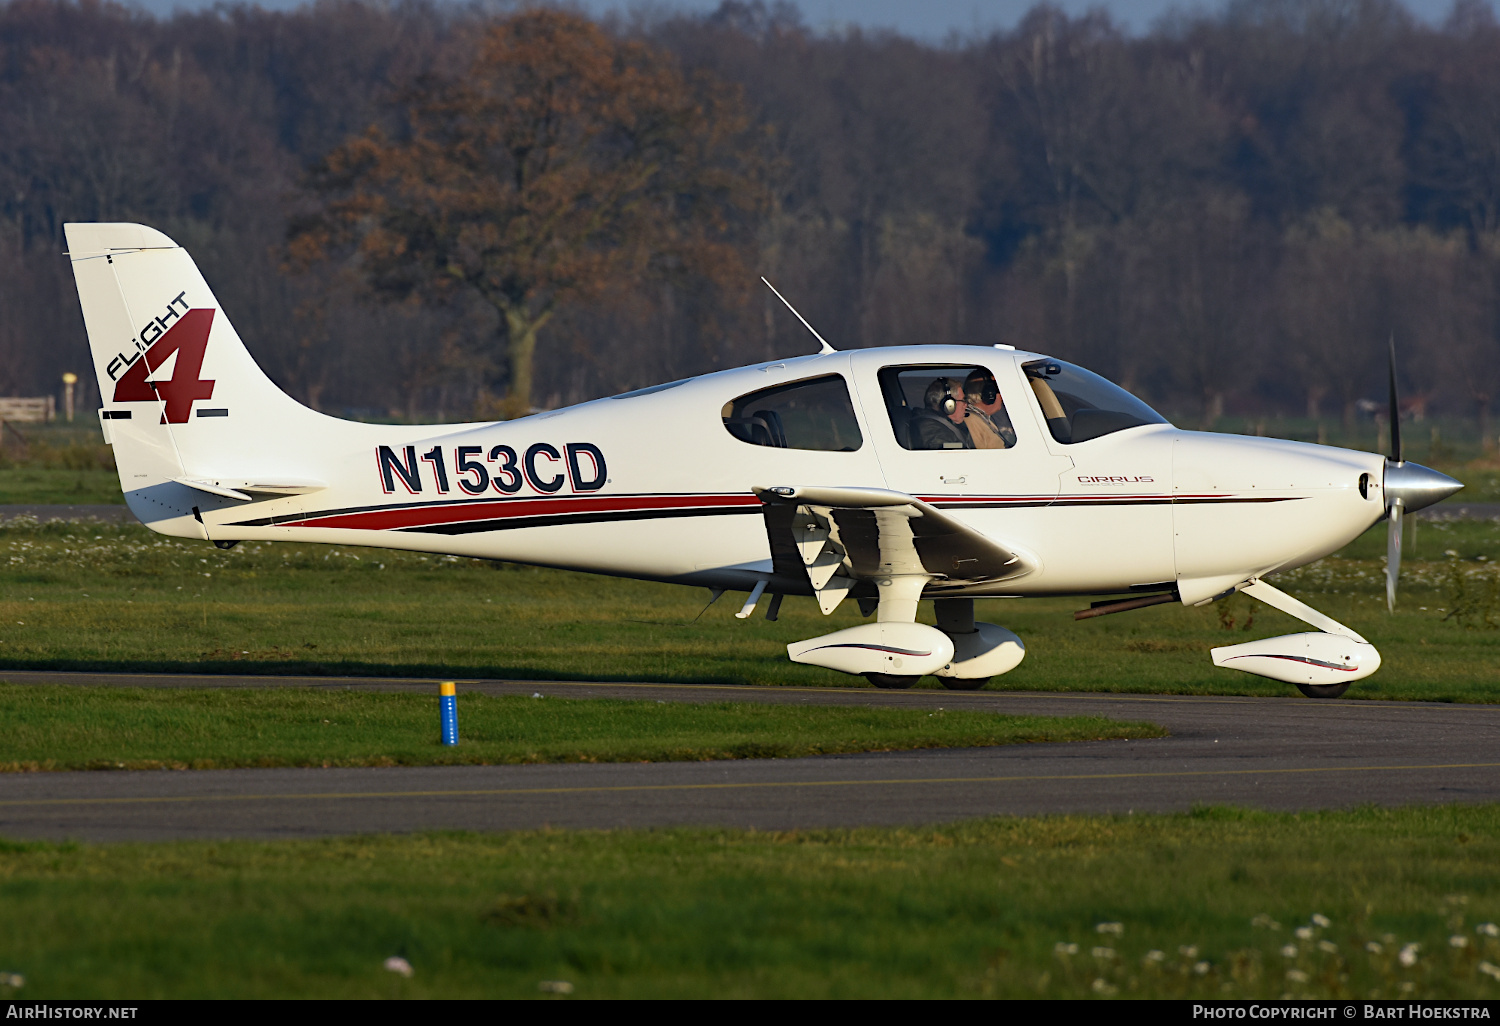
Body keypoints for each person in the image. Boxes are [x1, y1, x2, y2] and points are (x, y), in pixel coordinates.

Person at [911, 377, 973, 449]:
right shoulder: (933, 430)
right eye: (962, 400)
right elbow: (948, 457)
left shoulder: (943, 425)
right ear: (949, 405)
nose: (965, 405)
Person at [964, 368, 1017, 449]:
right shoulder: (971, 420)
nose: (1002, 397)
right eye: (999, 391)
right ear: (989, 395)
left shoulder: (982, 418)